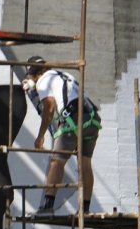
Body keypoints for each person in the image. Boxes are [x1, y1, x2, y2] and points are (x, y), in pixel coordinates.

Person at [23, 56, 101, 214]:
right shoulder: (63, 75)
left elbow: (49, 108)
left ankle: (47, 206)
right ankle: (84, 209)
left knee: (56, 162)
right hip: (92, 120)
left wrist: (40, 136)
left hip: (73, 122)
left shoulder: (44, 81)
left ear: (34, 75)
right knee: (85, 163)